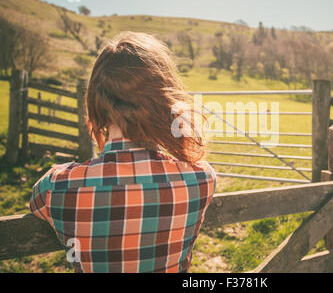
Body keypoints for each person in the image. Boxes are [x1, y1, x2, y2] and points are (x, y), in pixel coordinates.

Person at [29, 32, 216, 273]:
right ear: (164, 99)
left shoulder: (56, 186)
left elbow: (34, 205)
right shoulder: (201, 178)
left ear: (96, 103)